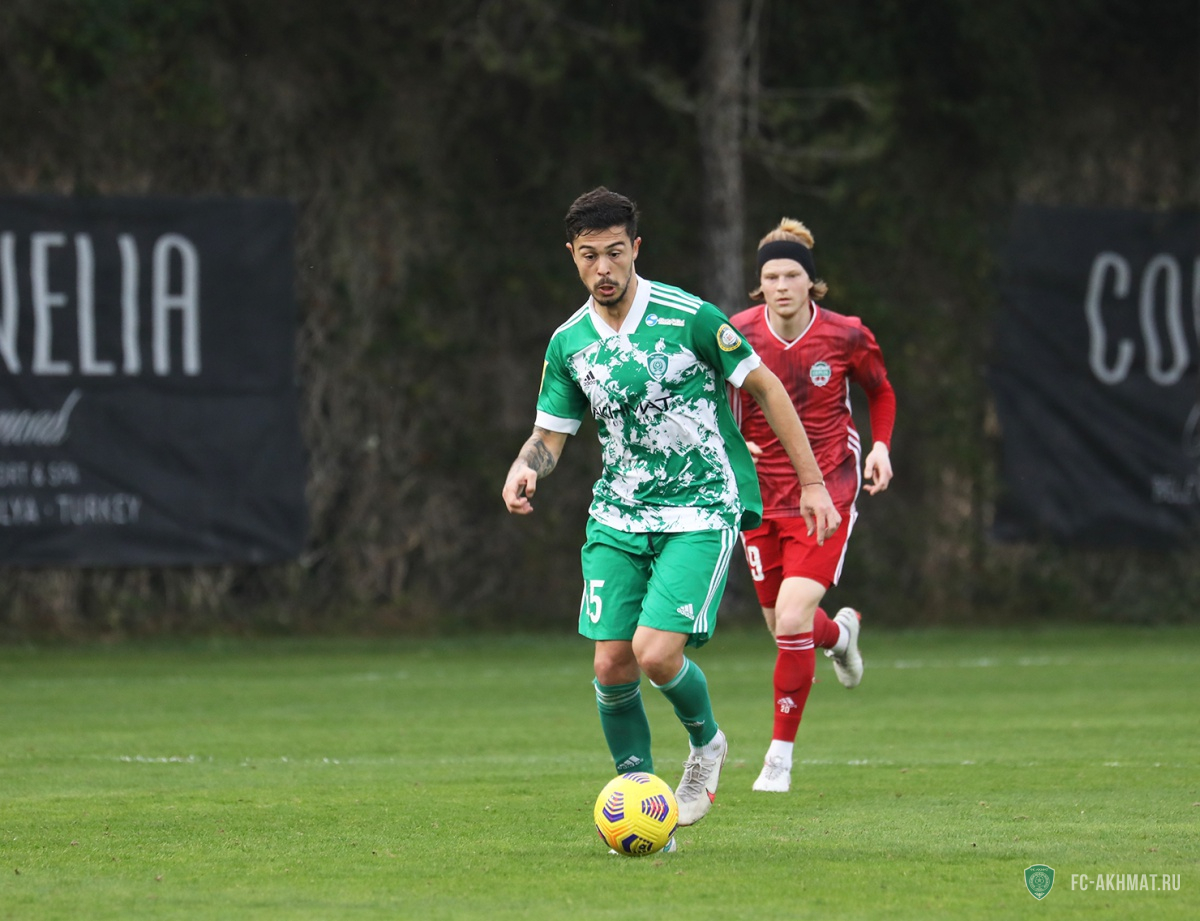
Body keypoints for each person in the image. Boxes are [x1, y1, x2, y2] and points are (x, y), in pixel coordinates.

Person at [502, 188, 840, 832]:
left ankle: (707, 745)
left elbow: (766, 387)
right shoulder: (569, 342)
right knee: (610, 664)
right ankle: (640, 801)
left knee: (655, 653)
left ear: (636, 248)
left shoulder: (689, 317)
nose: (603, 268)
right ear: (572, 256)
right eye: (589, 256)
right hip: (617, 516)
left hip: (700, 508)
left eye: (614, 252)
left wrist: (812, 483)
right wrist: (526, 466)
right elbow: (550, 434)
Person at [728, 218, 896, 793]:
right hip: (760, 498)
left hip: (827, 490)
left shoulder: (846, 335)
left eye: (792, 275)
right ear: (760, 284)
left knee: (793, 617)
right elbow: (710, 397)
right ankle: (840, 636)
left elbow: (880, 389)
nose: (781, 286)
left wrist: (880, 446)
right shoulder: (736, 333)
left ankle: (778, 758)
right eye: (771, 276)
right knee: (784, 626)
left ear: (811, 282)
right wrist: (732, 439)